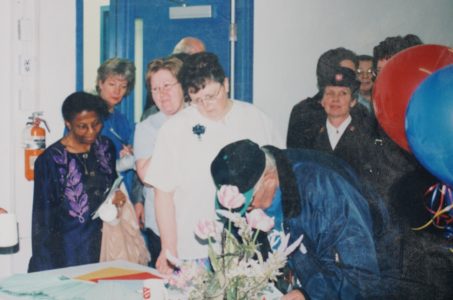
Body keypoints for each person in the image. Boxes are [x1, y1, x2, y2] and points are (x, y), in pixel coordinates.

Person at [144, 52, 283, 274]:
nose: (206, 105)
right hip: (193, 248)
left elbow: (278, 176)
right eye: (197, 100)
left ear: (225, 84)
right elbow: (163, 193)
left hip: (248, 247)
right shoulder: (175, 129)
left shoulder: (255, 118)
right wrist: (168, 248)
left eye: (211, 95)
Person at [210, 139, 395, 300]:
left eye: (247, 203)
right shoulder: (254, 184)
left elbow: (361, 275)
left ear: (269, 179)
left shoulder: (324, 190)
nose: (243, 211)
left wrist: (308, 295)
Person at [28, 92, 127, 272]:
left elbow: (111, 186)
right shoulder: (50, 160)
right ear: (68, 124)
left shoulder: (106, 147)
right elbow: (42, 223)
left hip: (104, 248)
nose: (91, 131)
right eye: (82, 126)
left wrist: (116, 195)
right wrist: (46, 273)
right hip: (67, 254)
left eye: (96, 124)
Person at [133, 56, 185, 267]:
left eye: (167, 86)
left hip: (198, 224)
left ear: (183, 85)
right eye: (155, 89)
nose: (162, 94)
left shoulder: (199, 119)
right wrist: (172, 134)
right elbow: (146, 175)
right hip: (160, 227)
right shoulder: (147, 128)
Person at [286, 47, 368, 149]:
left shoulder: (362, 112)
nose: (350, 77)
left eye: (353, 73)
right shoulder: (303, 112)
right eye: (344, 72)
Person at [304, 67, 376, 182]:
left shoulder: (367, 134)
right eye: (330, 93)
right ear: (322, 101)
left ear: (353, 101)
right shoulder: (310, 135)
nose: (335, 99)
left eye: (343, 93)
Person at [95, 57, 137, 199]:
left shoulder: (122, 120)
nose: (117, 91)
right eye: (112, 84)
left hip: (120, 192)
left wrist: (129, 151)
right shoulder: (87, 114)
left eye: (123, 86)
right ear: (100, 83)